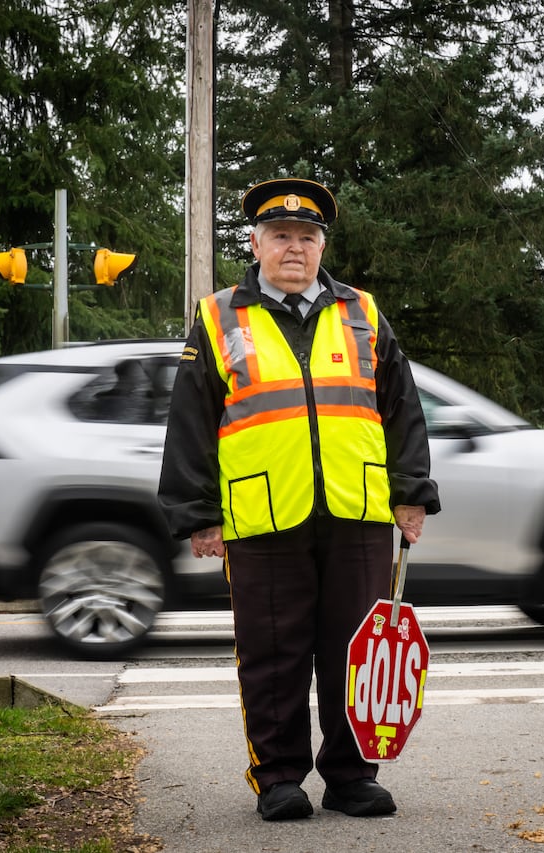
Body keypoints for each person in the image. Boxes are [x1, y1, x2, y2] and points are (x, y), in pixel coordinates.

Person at [157, 177, 441, 821]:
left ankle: (350, 775)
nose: (294, 247)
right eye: (280, 236)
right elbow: (191, 420)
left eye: (306, 237)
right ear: (255, 243)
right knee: (273, 652)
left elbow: (402, 410)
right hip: (263, 514)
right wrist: (198, 514)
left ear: (321, 246)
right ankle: (279, 776)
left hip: (357, 510)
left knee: (355, 650)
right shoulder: (219, 315)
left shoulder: (363, 312)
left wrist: (412, 494)